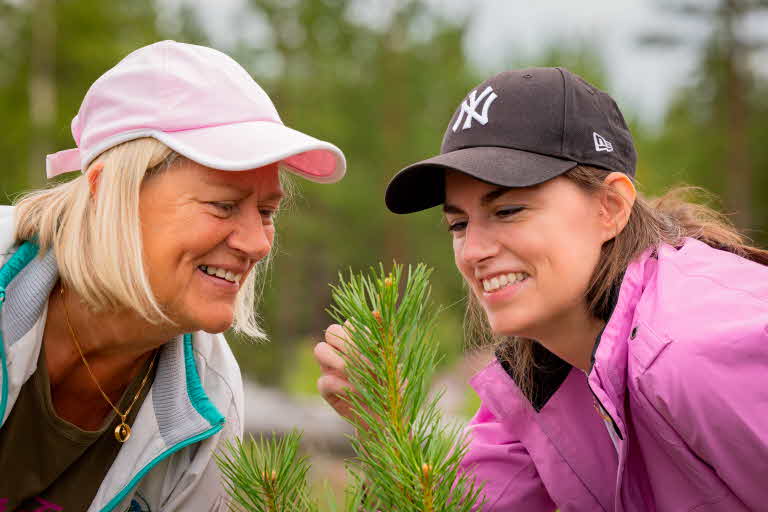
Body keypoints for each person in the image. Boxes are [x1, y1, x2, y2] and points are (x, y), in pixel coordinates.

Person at [315, 68, 768, 511]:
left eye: (508, 210)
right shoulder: (543, 372)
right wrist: (384, 422)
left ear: (610, 207)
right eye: (458, 223)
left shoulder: (694, 353)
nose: (473, 251)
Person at [0, 40, 345, 511]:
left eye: (266, 212)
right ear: (107, 194)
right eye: (223, 205)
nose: (259, 244)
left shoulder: (210, 400)